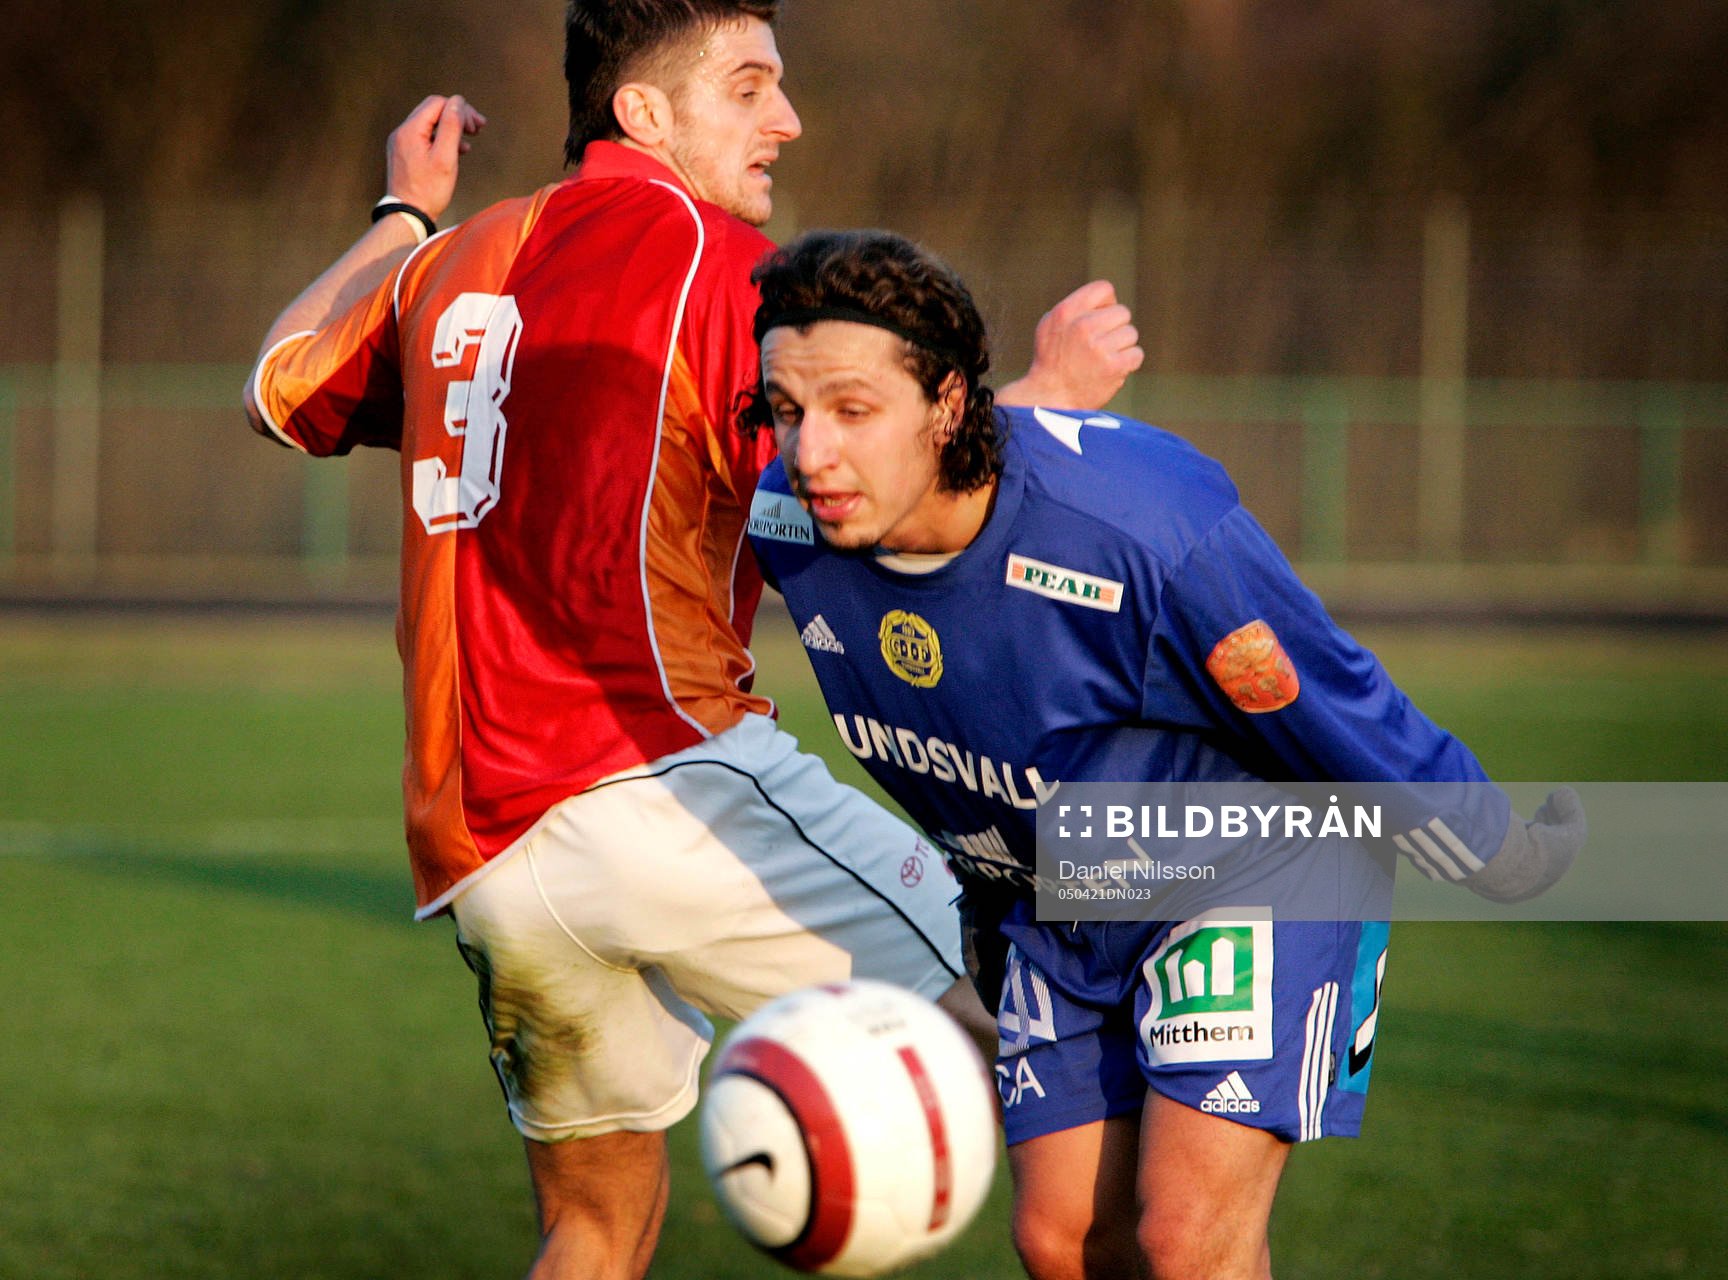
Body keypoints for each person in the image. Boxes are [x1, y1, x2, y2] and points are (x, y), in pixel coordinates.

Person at [242, 5, 1140, 1278]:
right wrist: (1050, 395)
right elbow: (871, 481)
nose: (787, 119)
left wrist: (404, 214)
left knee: (595, 1227)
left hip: (481, 850)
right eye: (750, 87)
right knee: (1055, 1039)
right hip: (655, 777)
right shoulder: (710, 259)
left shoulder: (457, 261)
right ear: (644, 113)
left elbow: (278, 383)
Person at [740, 229, 1587, 1280]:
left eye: (853, 410)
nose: (809, 450)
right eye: (786, 410)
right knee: (1062, 1241)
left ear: (948, 405)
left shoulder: (1140, 526)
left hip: (1251, 862)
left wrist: (1491, 842)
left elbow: (1330, 696)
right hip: (1059, 894)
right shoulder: (783, 513)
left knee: (1184, 1242)